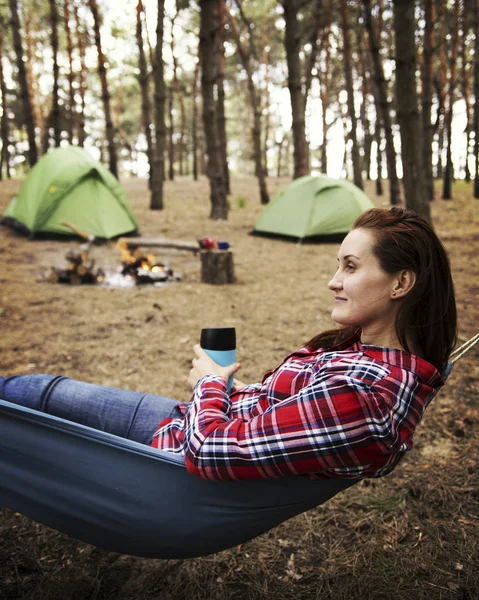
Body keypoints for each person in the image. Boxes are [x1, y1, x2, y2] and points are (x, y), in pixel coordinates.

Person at [0, 207, 457, 483]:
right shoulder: (376, 359)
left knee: (29, 398)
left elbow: (210, 454)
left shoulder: (365, 399)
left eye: (351, 267)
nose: (333, 281)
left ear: (401, 282)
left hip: (168, 455)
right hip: (186, 420)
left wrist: (211, 385)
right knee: (33, 391)